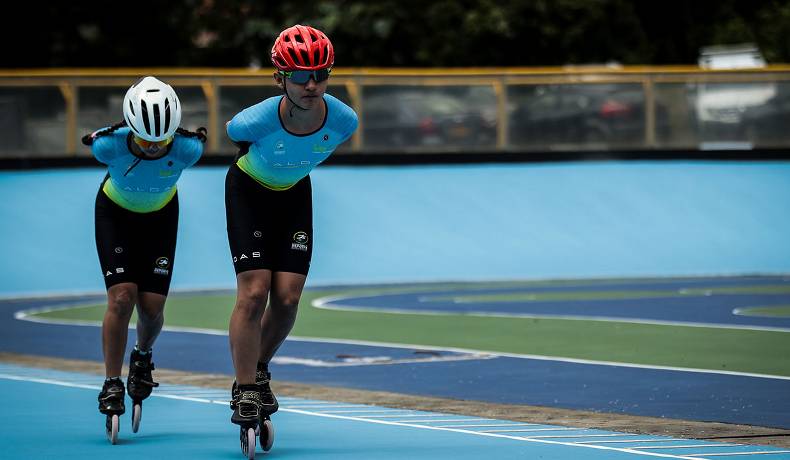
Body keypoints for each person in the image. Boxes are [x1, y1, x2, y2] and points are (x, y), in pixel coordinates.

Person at [225, 24, 358, 435]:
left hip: (294, 195)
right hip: (249, 192)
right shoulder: (253, 122)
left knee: (287, 299)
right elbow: (235, 137)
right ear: (279, 78)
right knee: (254, 292)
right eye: (300, 75)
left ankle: (259, 369)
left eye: (321, 74)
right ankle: (245, 389)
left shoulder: (344, 121)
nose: (311, 84)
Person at [83, 76, 206, 440]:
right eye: (144, 139)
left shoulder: (188, 149)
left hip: (161, 219)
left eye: (162, 140)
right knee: (122, 298)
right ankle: (111, 381)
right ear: (131, 128)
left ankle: (142, 355)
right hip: (115, 215)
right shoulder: (107, 146)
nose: (153, 147)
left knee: (151, 310)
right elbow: (99, 138)